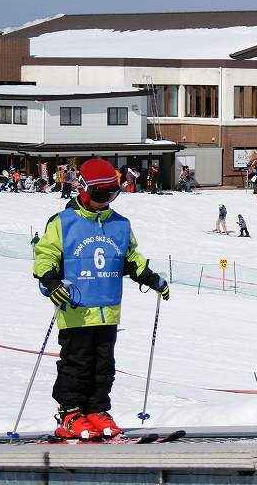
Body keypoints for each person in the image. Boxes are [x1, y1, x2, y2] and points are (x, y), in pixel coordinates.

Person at [33, 158, 169, 439]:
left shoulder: (119, 224)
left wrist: (151, 278)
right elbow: (45, 255)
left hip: (108, 308)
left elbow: (130, 259)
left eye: (112, 194)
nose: (105, 201)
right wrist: (51, 281)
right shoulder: (63, 223)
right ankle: (70, 413)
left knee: (104, 366)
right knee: (77, 364)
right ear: (83, 190)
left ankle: (96, 410)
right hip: (77, 309)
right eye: (100, 195)